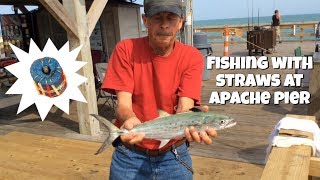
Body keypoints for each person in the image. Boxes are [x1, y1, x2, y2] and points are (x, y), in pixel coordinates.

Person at [101, 0, 217, 179]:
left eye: (171, 18)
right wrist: (130, 119)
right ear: (145, 20)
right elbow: (123, 105)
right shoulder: (125, 49)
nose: (164, 25)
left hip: (174, 154)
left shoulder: (192, 56)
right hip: (129, 155)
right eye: (157, 18)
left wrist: (194, 120)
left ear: (180, 22)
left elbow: (184, 108)